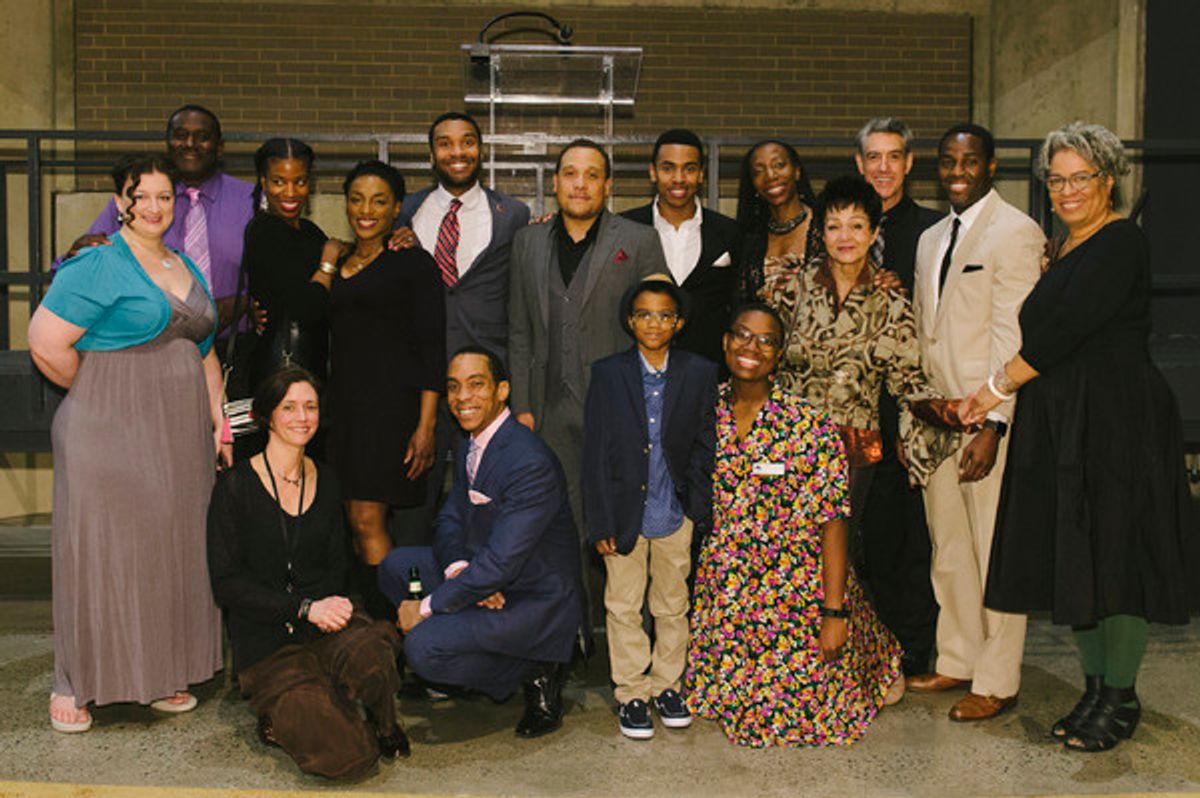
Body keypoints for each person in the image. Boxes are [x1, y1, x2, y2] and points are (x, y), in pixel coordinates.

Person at [960, 122, 1198, 751]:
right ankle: (1094, 687)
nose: (1066, 190)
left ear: (1108, 180)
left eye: (1080, 178)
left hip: (1119, 420)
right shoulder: (1062, 248)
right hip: (1067, 419)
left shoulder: (1120, 243)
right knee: (1079, 557)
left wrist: (991, 391)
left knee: (1119, 557)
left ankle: (1120, 696)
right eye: (1056, 179)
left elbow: (1060, 333)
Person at [29, 153, 227, 733]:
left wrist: (219, 423)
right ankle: (76, 684)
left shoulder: (183, 263)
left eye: (164, 197)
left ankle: (160, 672)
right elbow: (45, 343)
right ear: (121, 201)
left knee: (170, 550)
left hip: (180, 436)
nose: (153, 207)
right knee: (104, 554)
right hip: (106, 432)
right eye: (141, 196)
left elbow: (205, 351)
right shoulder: (97, 265)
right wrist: (101, 395)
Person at [686, 303, 903, 748]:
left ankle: (877, 661)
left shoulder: (808, 425)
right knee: (728, 705)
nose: (752, 347)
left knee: (804, 713)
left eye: (766, 341)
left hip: (797, 587)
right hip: (728, 590)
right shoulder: (701, 413)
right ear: (725, 342)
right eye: (743, 335)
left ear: (779, 354)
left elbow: (834, 522)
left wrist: (833, 611)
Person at [207, 367, 408, 779]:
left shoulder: (329, 480)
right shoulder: (235, 488)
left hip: (324, 628)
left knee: (375, 653)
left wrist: (328, 611)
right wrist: (302, 609)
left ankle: (383, 722)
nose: (302, 417)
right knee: (349, 759)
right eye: (289, 407)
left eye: (311, 407)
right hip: (269, 643)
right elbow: (226, 583)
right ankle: (289, 711)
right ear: (266, 415)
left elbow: (338, 567)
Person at [907, 123, 1043, 721]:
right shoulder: (932, 237)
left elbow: (1015, 334)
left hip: (986, 417)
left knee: (994, 551)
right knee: (951, 549)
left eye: (970, 160)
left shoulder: (1016, 232)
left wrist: (996, 424)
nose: (957, 170)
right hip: (938, 418)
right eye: (947, 161)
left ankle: (997, 677)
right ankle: (959, 655)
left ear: (991, 166)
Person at [507, 138, 668, 634]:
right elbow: (518, 329)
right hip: (549, 409)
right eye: (570, 173)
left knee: (622, 527)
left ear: (608, 185)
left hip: (620, 409)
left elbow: (658, 323)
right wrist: (522, 405)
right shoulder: (527, 241)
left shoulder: (638, 240)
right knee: (557, 527)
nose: (580, 183)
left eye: (592, 174)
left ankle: (629, 640)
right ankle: (567, 636)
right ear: (554, 183)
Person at [379, 347, 583, 738]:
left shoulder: (528, 460)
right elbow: (449, 518)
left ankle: (536, 668)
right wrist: (461, 572)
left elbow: (504, 564)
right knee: (395, 566)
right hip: (488, 573)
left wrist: (424, 608)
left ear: (502, 390)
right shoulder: (470, 441)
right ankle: (467, 648)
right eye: (454, 387)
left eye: (476, 385)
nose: (462, 398)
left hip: (534, 597)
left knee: (421, 647)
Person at [774, 175, 962, 584]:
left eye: (857, 225)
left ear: (874, 232)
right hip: (789, 444)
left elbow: (907, 379)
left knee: (836, 565)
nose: (845, 236)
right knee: (785, 559)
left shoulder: (892, 301)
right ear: (820, 232)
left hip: (853, 452)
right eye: (834, 225)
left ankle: (836, 645)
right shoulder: (791, 288)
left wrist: (948, 410)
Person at [582, 276, 717, 739]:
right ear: (629, 321)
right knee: (622, 605)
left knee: (672, 604)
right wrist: (598, 519)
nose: (654, 323)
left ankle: (667, 686)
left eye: (664, 315)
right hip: (622, 515)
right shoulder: (608, 373)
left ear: (678, 323)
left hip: (674, 511)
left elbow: (704, 443)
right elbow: (595, 453)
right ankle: (632, 694)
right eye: (644, 314)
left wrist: (697, 508)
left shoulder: (699, 372)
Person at [390, 111, 531, 546]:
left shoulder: (514, 214)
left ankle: (482, 591)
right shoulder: (404, 212)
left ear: (480, 149)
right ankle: (414, 599)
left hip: (486, 380)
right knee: (415, 500)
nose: (457, 152)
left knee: (488, 501)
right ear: (432, 153)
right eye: (446, 143)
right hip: (422, 383)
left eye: (467, 142)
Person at [328, 160, 446, 619]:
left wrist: (426, 424)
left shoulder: (413, 262)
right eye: (357, 199)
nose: (366, 209)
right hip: (344, 411)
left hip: (392, 411)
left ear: (397, 207)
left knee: (368, 520)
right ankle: (380, 627)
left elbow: (432, 347)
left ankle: (394, 632)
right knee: (354, 526)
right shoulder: (337, 262)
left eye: (379, 200)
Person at [852, 118, 944, 677]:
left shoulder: (933, 234)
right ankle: (868, 642)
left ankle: (914, 644)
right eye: (873, 157)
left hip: (910, 405)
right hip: (853, 403)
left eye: (894, 157)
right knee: (863, 533)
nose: (883, 167)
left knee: (913, 534)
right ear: (859, 164)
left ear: (910, 163)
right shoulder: (837, 227)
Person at [58, 105, 254, 338]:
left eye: (202, 137)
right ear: (168, 142)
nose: (190, 144)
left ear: (220, 148)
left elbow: (273, 275)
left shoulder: (251, 200)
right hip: (152, 344)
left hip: (233, 346)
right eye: (180, 136)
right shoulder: (137, 200)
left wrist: (244, 303)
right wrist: (77, 252)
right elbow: (76, 266)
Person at [622, 129, 742, 367]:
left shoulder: (729, 232)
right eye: (668, 168)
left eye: (689, 168)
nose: (679, 178)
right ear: (653, 172)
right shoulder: (624, 228)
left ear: (700, 175)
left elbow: (739, 304)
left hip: (709, 373)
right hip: (637, 371)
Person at [244, 137, 346, 390]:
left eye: (299, 181)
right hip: (281, 372)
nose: (290, 193)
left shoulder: (309, 231)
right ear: (263, 182)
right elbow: (308, 309)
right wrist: (328, 263)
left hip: (312, 366)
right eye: (279, 182)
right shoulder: (264, 231)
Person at [735, 140, 823, 314]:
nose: (770, 176)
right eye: (758, 171)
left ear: (797, 171)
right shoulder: (748, 239)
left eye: (779, 165)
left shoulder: (827, 227)